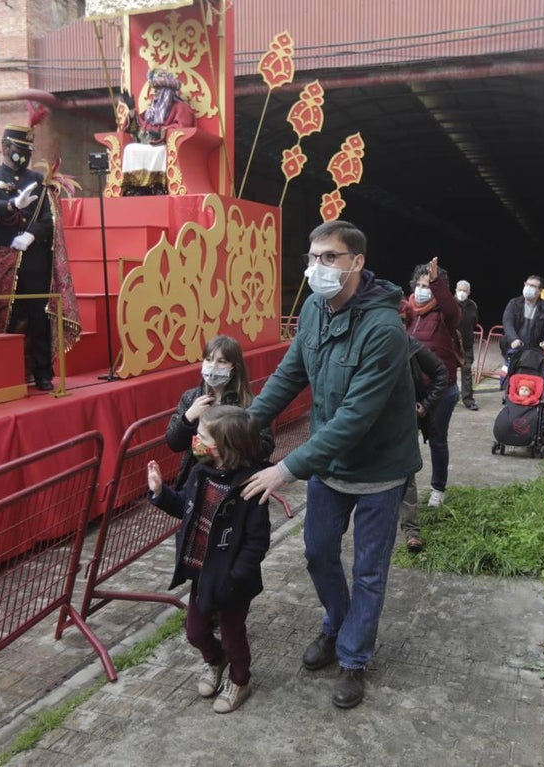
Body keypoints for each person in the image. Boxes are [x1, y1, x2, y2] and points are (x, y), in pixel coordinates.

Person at [240, 219, 421, 710]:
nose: (317, 267)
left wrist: (286, 468)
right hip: (329, 466)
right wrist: (245, 425)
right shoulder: (315, 310)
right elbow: (288, 375)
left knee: (368, 570)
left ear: (356, 262)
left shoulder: (383, 330)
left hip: (379, 469)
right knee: (318, 553)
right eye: (312, 257)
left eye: (329, 258)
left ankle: (354, 658)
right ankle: (337, 623)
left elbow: (355, 417)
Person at [146, 405, 272, 714]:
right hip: (202, 574)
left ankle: (240, 680)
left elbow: (257, 543)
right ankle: (216, 661)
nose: (196, 440)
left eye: (202, 435)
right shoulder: (200, 473)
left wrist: (235, 578)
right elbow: (185, 508)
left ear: (224, 446)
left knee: (233, 636)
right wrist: (161, 493)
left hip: (232, 583)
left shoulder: (249, 488)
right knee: (195, 632)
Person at [0, 119, 81, 391]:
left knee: (37, 315)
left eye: (29, 149)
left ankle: (42, 371)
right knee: (5, 316)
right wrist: (11, 205)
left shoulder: (37, 180)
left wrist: (31, 235)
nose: (25, 154)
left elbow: (48, 216)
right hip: (2, 255)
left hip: (34, 258)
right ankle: (5, 371)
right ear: (5, 147)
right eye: (20, 148)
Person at [166, 335, 274, 489]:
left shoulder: (248, 403)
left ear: (234, 367)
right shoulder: (191, 398)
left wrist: (224, 447)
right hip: (197, 480)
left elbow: (266, 444)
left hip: (234, 482)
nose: (213, 366)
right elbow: (173, 443)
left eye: (221, 361)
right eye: (209, 359)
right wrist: (188, 417)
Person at [401, 258, 461, 508]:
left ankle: (438, 488)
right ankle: (403, 491)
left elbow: (450, 308)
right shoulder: (406, 312)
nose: (422, 290)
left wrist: (437, 283)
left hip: (441, 390)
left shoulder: (447, 314)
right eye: (420, 284)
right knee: (403, 441)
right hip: (411, 391)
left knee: (437, 440)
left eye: (428, 285)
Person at [400, 336, 449, 553]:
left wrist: (426, 405)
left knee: (406, 473)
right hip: (374, 419)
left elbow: (441, 373)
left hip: (405, 420)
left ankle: (411, 531)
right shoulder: (366, 341)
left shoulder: (410, 345)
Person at [118, 68, 195, 195]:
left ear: (167, 91)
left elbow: (182, 130)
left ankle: (159, 186)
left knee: (160, 151)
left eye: (158, 90)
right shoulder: (151, 110)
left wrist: (162, 133)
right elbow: (137, 132)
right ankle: (137, 187)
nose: (155, 93)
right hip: (148, 143)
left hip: (166, 146)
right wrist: (132, 110)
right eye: (154, 89)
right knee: (130, 149)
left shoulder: (181, 107)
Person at [501, 275, 544, 362]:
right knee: (507, 374)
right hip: (514, 351)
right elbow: (507, 323)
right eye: (527, 284)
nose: (528, 288)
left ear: (540, 290)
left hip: (535, 353)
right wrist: (513, 339)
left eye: (533, 286)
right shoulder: (514, 303)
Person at [455, 279, 480, 410]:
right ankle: (448, 398)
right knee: (447, 372)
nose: (462, 293)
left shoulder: (473, 306)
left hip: (467, 345)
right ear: (455, 290)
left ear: (469, 292)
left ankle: (468, 400)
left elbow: (474, 322)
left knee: (467, 371)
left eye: (465, 290)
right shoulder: (450, 304)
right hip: (451, 344)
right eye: (460, 290)